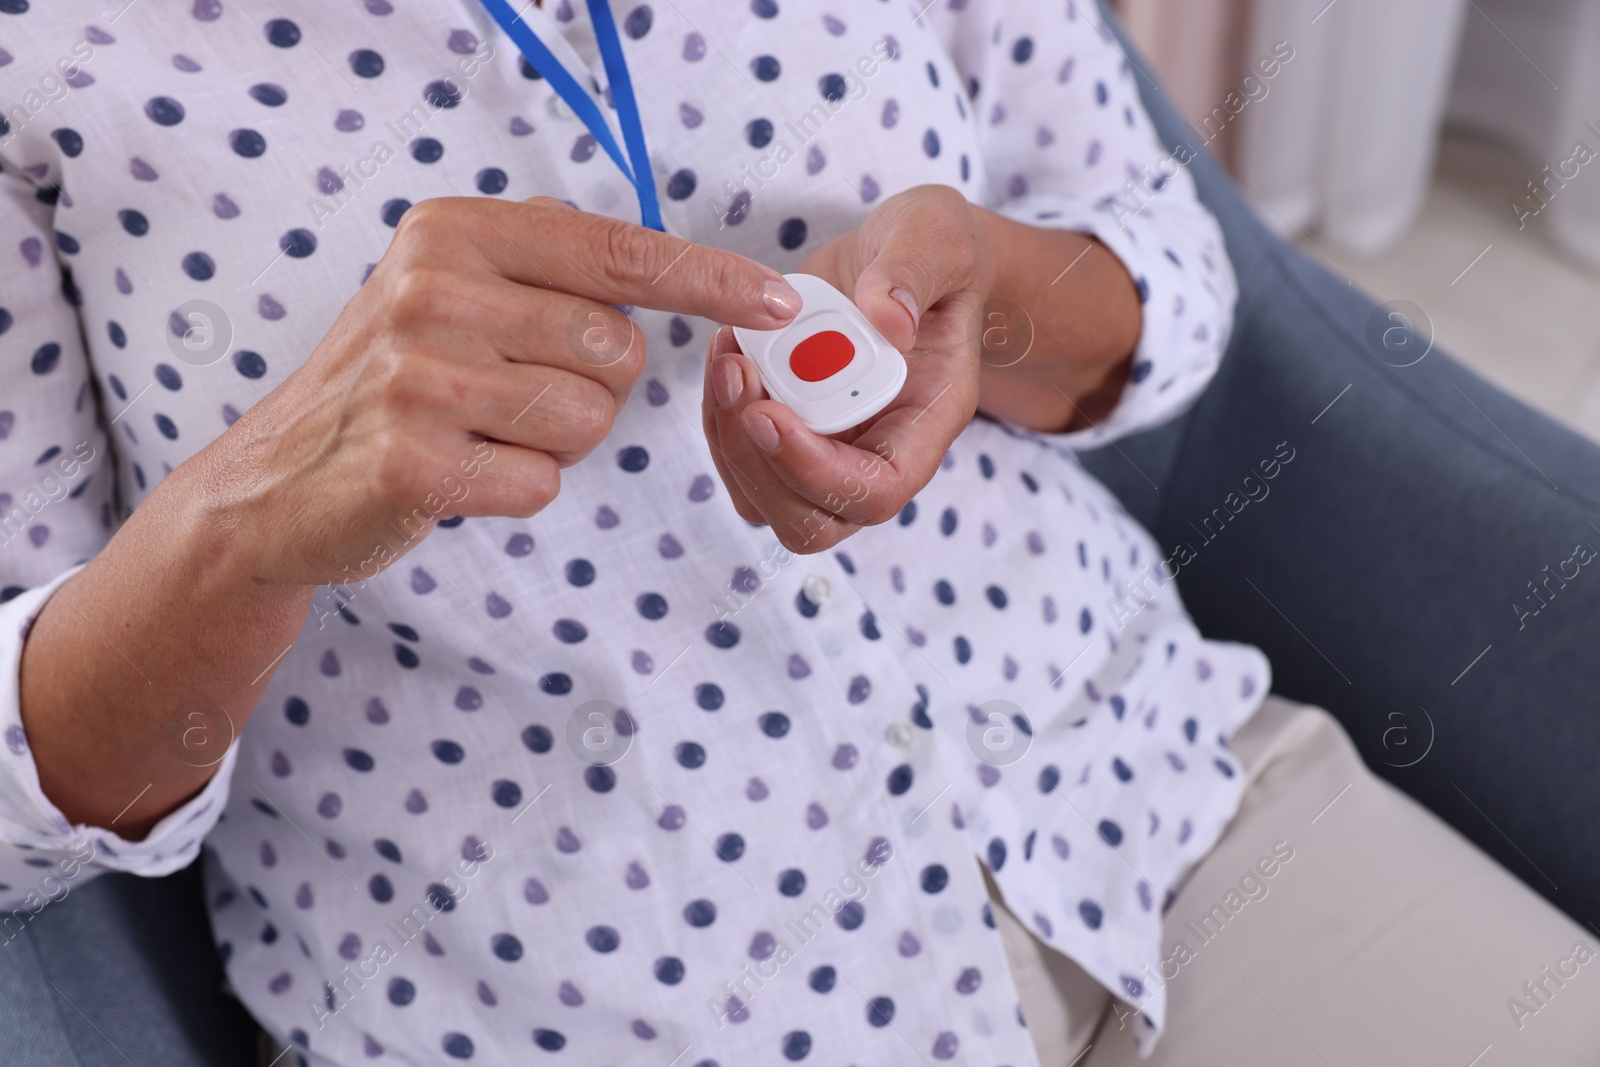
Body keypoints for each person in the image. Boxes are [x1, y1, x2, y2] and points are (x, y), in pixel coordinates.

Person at [0, 2, 1593, 1066]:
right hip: (572, 1007)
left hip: (1138, 798)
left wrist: (992, 293)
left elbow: (1164, 269)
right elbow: (22, 804)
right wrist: (249, 519)